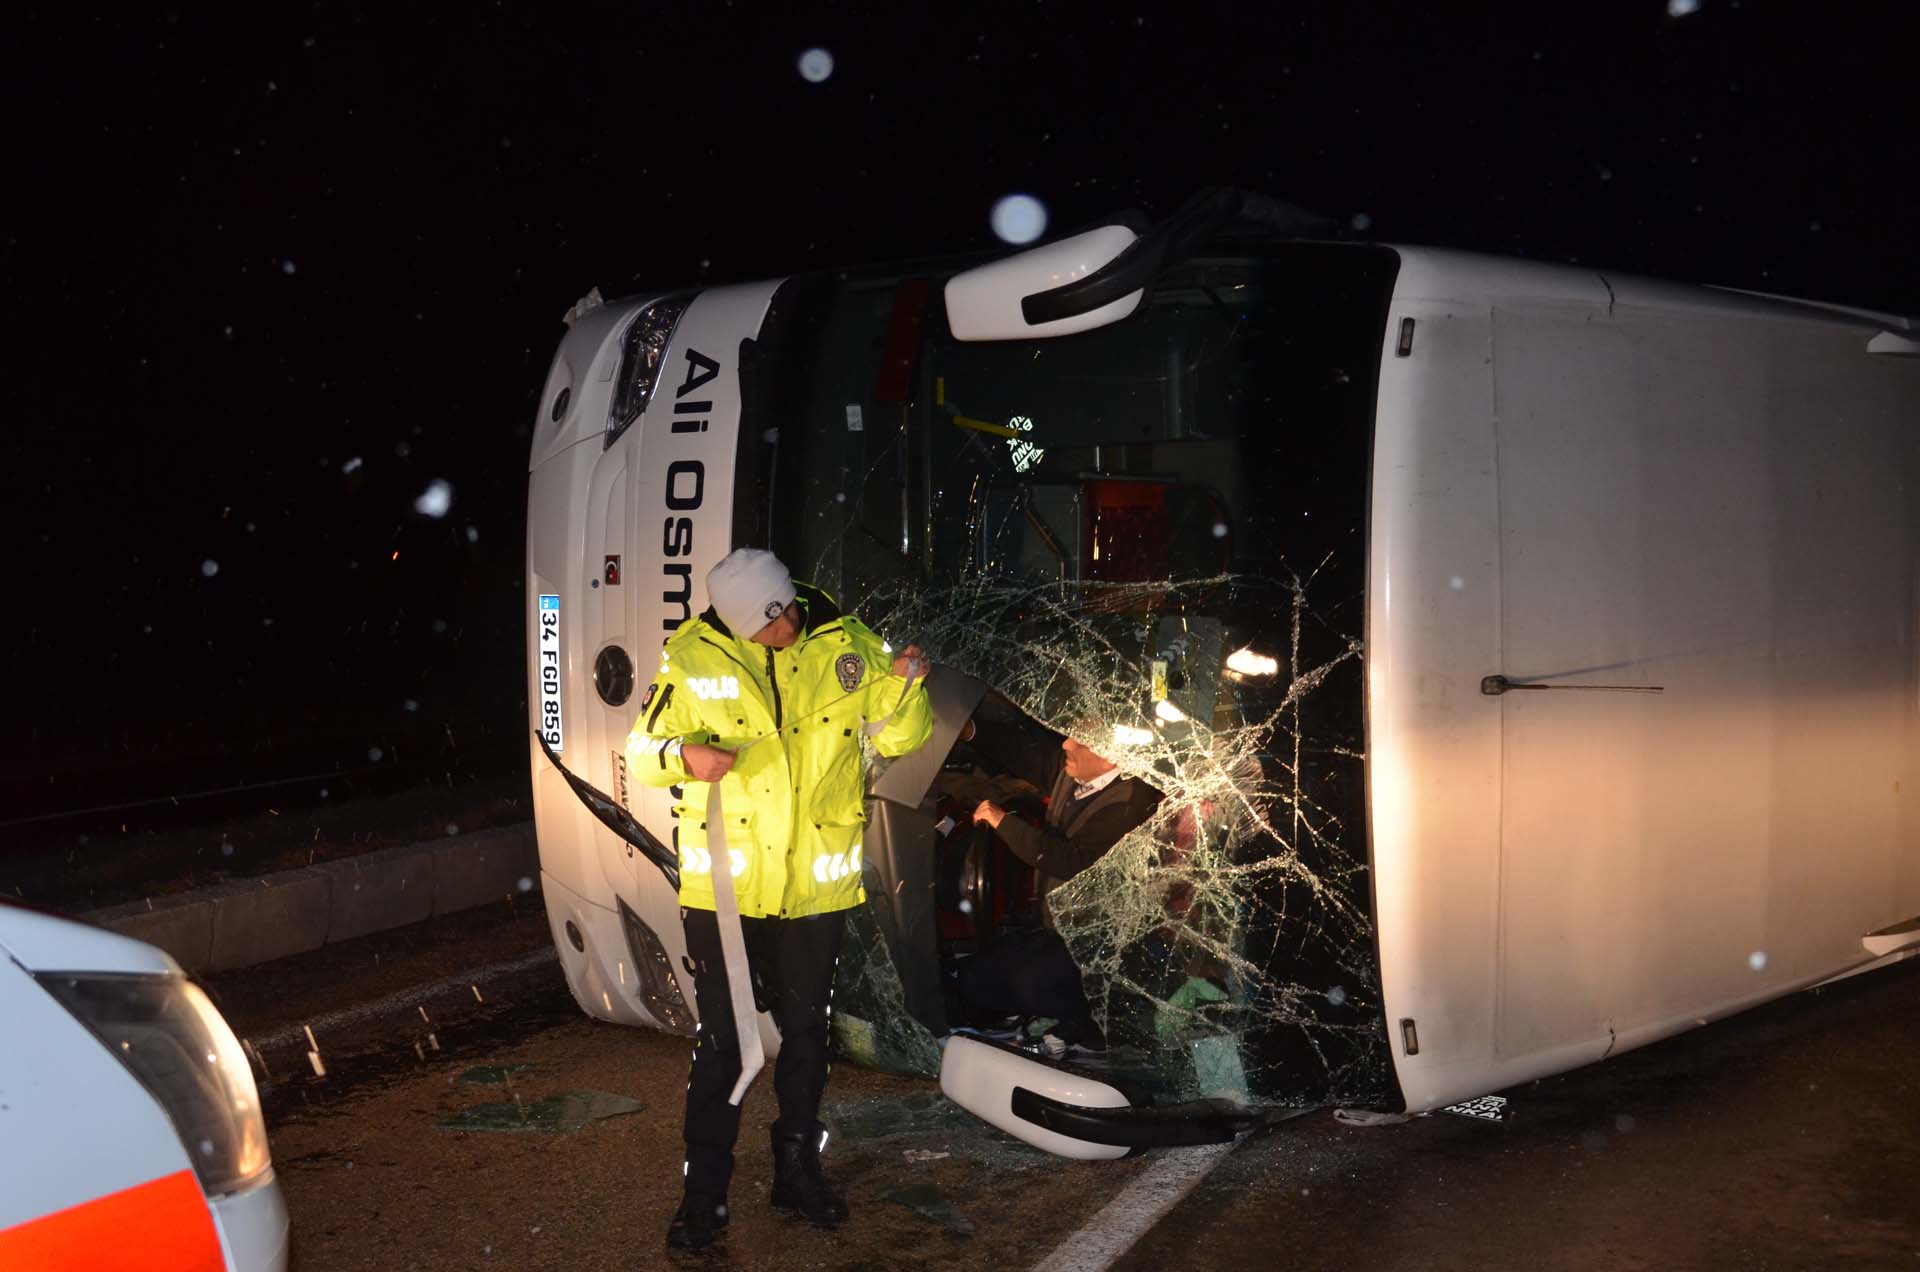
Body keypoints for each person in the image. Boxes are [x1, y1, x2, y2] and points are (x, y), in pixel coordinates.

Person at [626, 548, 931, 1253]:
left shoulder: (847, 642)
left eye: (787, 609)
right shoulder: (693, 658)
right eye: (768, 624)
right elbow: (643, 752)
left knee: (807, 1037)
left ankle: (797, 1168)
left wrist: (909, 687)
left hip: (816, 887)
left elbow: (900, 736)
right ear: (736, 627)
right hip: (727, 891)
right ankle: (703, 1195)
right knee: (724, 1044)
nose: (787, 627)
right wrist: (687, 759)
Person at [960, 708, 1162, 1052]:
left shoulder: (1131, 801)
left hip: (1099, 940)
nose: (1066, 743)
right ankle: (1041, 1015)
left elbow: (1073, 862)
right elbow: (1023, 752)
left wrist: (1003, 821)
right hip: (1054, 928)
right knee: (974, 979)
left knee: (1032, 984)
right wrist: (971, 730)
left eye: (1080, 740)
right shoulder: (1074, 771)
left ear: (1110, 755)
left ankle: (1095, 1023)